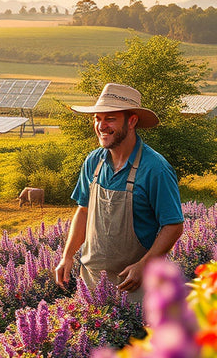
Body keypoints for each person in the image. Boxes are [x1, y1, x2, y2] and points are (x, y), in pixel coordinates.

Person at [53, 83, 184, 303]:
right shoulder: (93, 162)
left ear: (131, 121)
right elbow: (83, 212)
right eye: (97, 118)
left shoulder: (155, 169)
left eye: (110, 119)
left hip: (136, 285)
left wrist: (144, 264)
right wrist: (67, 256)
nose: (101, 126)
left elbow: (173, 225)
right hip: (92, 280)